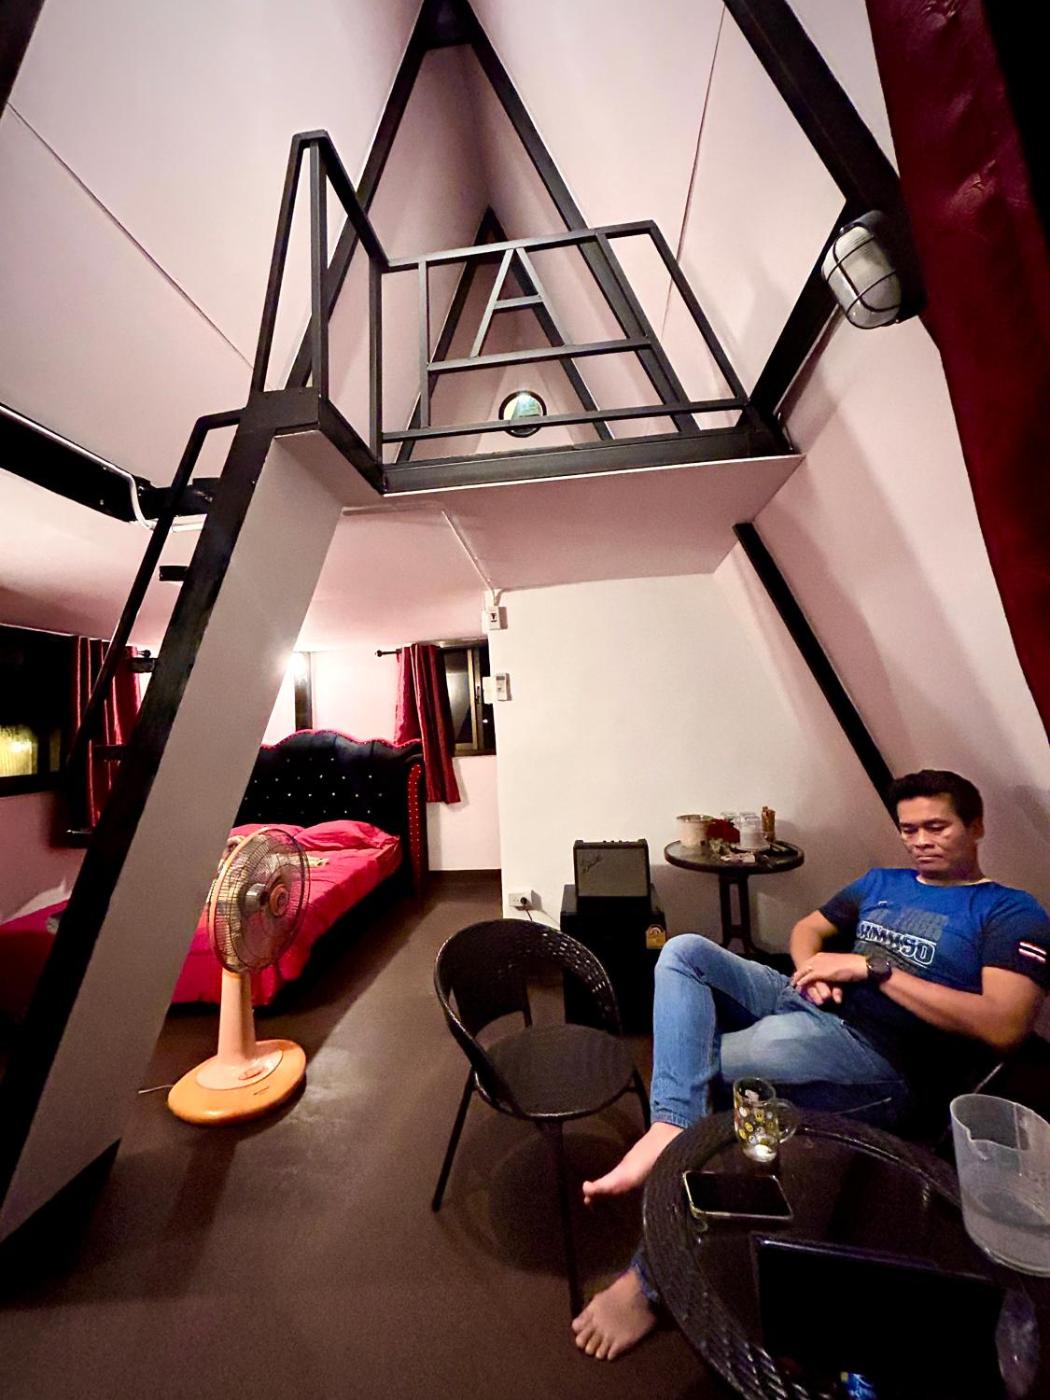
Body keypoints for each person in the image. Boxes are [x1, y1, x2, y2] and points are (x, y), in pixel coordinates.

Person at [572, 769, 1050, 1361]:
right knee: (682, 951)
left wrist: (872, 969)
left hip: (877, 1052)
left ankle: (647, 1280)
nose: (920, 841)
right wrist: (811, 969)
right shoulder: (883, 881)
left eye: (937, 827)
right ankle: (672, 1122)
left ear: (975, 827)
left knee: (705, 1070)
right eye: (909, 829)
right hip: (805, 999)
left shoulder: (1009, 910)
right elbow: (809, 928)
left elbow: (1005, 1025)